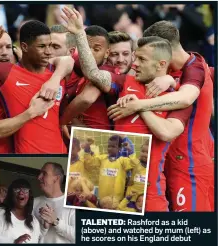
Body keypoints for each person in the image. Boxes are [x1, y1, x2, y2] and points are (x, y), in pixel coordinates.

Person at [61, 7, 193, 211]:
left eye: (140, 59)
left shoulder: (178, 98)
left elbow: (166, 132)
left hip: (150, 197)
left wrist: (139, 107)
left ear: (161, 65)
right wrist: (79, 33)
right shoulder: (125, 82)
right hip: (115, 197)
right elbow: (94, 74)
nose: (133, 63)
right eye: (135, 57)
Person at [0, 21, 75, 154]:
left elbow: (68, 61)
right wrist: (31, 112)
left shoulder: (52, 70)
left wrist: (55, 80)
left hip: (58, 153)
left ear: (15, 50)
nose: (4, 53)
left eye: (8, 47)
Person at [140, 21, 214, 212]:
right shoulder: (177, 70)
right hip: (175, 163)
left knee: (192, 234)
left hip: (189, 167)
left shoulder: (195, 67)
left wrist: (139, 106)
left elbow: (185, 98)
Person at [0, 179, 41, 243]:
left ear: (29, 195)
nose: (21, 192)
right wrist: (13, 242)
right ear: (11, 194)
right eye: (17, 190)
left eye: (25, 190)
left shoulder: (34, 221)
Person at [84, 135, 138, 201]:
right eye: (109, 146)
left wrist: (130, 151)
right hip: (102, 197)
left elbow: (134, 164)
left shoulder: (123, 161)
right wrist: (87, 149)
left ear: (120, 148)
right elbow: (90, 162)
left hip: (116, 199)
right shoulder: (102, 158)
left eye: (113, 146)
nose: (110, 148)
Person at [33, 162, 75, 243]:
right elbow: (31, 236)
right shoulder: (34, 202)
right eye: (40, 173)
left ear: (56, 178)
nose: (39, 177)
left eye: (44, 174)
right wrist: (44, 227)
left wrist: (56, 222)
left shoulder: (73, 203)